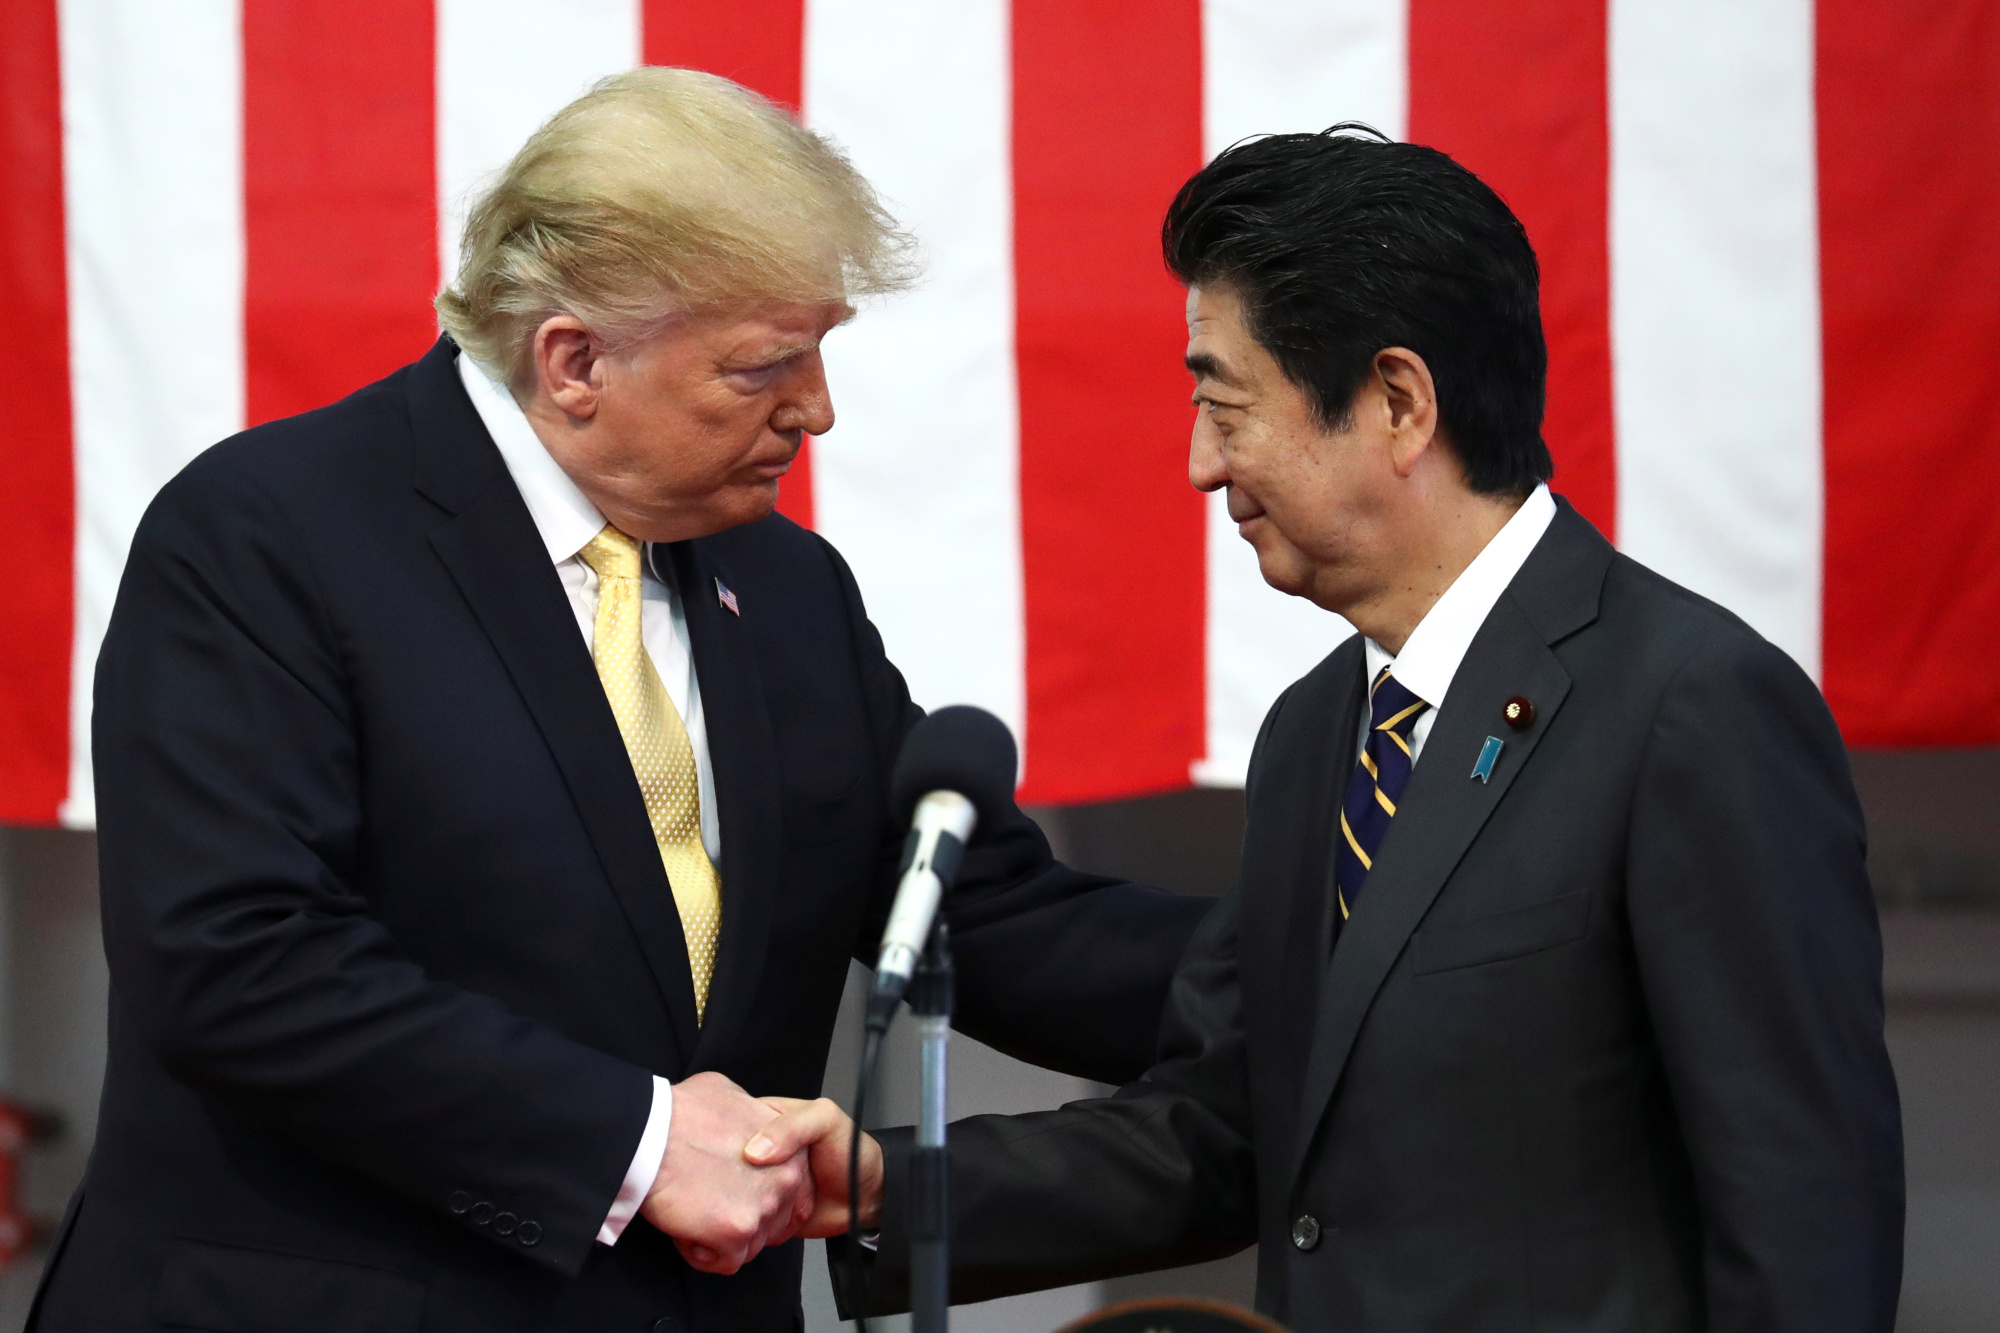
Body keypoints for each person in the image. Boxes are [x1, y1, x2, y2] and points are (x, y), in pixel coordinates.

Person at [26, 70, 1209, 1333]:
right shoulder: (269, 533)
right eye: (767, 367)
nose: (815, 409)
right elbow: (239, 960)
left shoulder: (788, 585)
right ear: (574, 360)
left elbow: (976, 914)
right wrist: (637, 1142)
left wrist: (1351, 957)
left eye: (819, 353)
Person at [757, 128, 1906, 1332]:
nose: (1202, 463)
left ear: (1396, 403)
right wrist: (890, 1184)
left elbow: (1802, 1219)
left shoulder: (1691, 706)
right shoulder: (1316, 735)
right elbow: (1224, 1127)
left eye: (1223, 400)